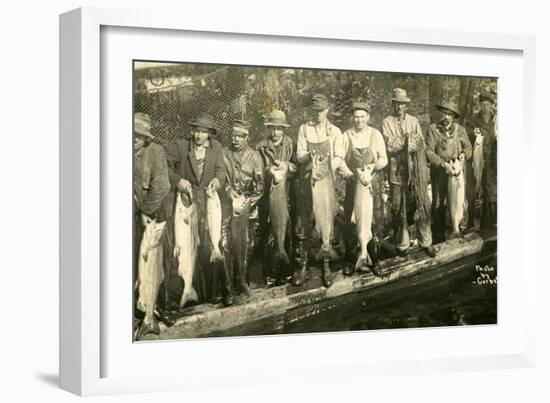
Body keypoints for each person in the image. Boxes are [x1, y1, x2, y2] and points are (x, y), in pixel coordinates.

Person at [168, 112, 233, 306]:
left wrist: (217, 180)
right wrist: (178, 180)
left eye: (203, 132)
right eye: (196, 131)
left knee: (215, 245)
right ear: (192, 130)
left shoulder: (216, 148)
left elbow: (220, 170)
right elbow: (163, 165)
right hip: (187, 204)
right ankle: (191, 293)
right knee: (188, 246)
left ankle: (225, 290)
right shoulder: (180, 146)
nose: (199, 136)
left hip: (210, 203)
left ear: (210, 134)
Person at [294, 93, 346, 287]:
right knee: (304, 224)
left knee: (327, 218)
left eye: (321, 111)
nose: (318, 114)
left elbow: (340, 156)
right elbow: (299, 156)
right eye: (315, 110)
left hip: (326, 181)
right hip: (307, 180)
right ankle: (303, 266)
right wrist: (309, 154)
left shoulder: (335, 131)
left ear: (327, 110)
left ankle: (326, 264)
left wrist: (326, 166)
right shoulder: (304, 129)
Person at [381, 88, 437, 258]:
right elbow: (389, 145)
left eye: (403, 104)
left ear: (406, 105)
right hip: (397, 173)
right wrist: (406, 141)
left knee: (422, 204)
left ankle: (426, 242)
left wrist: (407, 142)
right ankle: (402, 245)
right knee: (399, 208)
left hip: (416, 173)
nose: (400, 107)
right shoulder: (386, 122)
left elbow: (419, 143)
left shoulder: (414, 121)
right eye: (397, 103)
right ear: (393, 104)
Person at [336, 101, 388, 277]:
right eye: (356, 117)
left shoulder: (375, 135)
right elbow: (339, 159)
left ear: (368, 117)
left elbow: (384, 159)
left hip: (372, 186)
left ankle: (374, 259)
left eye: (362, 117)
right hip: (353, 185)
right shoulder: (346, 136)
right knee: (351, 223)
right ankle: (351, 260)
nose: (359, 120)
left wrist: (372, 168)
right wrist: (350, 174)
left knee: (374, 223)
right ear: (353, 117)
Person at [133, 112, 171, 336]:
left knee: (156, 266)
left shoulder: (155, 152)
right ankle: (137, 313)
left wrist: (145, 212)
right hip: (132, 216)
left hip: (153, 216)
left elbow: (162, 185)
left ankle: (155, 311)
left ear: (146, 138)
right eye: (132, 135)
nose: (135, 140)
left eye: (139, 136)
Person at [222, 119, 265, 296]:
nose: (236, 140)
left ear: (246, 138)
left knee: (248, 244)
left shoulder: (254, 156)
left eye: (240, 136)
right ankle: (228, 286)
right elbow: (221, 177)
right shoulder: (224, 153)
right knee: (227, 245)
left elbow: (260, 186)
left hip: (248, 206)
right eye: (234, 136)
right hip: (228, 204)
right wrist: (229, 192)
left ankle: (244, 281)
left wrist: (248, 201)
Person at [256, 110, 296, 286]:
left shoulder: (290, 144)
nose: (275, 133)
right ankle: (269, 273)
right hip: (268, 196)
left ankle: (286, 272)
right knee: (268, 234)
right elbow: (256, 170)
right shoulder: (260, 147)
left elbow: (297, 167)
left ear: (283, 130)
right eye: (272, 129)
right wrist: (268, 171)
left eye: (279, 129)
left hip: (286, 195)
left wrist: (287, 166)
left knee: (286, 232)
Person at [425, 100, 472, 241]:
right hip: (439, 173)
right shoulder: (433, 129)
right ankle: (438, 238)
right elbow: (428, 151)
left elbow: (469, 147)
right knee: (438, 203)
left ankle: (460, 232)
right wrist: (442, 164)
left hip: (457, 175)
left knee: (460, 202)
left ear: (453, 116)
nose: (445, 117)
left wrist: (464, 154)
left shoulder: (460, 130)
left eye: (449, 114)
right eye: (443, 114)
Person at [472, 89, 497, 229]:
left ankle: (492, 226)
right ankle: (481, 227)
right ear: (479, 105)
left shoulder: (497, 120)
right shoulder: (473, 120)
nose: (485, 107)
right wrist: (473, 134)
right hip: (478, 162)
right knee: (479, 194)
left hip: (494, 165)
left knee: (493, 195)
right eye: (483, 104)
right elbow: (466, 137)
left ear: (492, 105)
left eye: (488, 104)